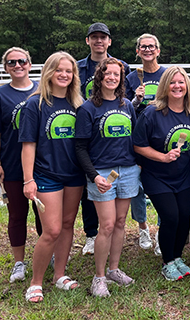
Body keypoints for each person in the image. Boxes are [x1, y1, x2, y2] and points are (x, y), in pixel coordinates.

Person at [19, 51, 85, 303]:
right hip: (47, 175)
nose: (64, 74)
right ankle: (36, 282)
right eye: (59, 70)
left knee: (68, 224)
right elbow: (28, 145)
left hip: (74, 175)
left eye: (68, 71)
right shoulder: (35, 105)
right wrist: (28, 179)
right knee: (52, 230)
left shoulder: (78, 105)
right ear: (49, 72)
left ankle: (59, 275)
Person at [132, 66, 190, 281]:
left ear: (187, 86)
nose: (177, 86)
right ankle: (167, 261)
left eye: (181, 82)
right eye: (172, 82)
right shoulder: (151, 113)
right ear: (165, 86)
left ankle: (178, 257)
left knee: (184, 218)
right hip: (157, 176)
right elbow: (138, 145)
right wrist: (162, 157)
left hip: (183, 175)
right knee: (170, 217)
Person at [0, 47, 42, 284]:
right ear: (6, 67)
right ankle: (19, 262)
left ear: (29, 63)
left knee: (43, 214)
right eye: (12, 62)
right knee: (17, 214)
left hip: (42, 165)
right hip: (13, 164)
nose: (18, 65)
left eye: (22, 61)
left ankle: (48, 254)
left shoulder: (41, 89)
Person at [76, 58, 137, 297]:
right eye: (107, 73)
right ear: (99, 77)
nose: (112, 77)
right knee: (107, 225)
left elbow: (133, 139)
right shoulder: (88, 108)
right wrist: (93, 176)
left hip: (128, 170)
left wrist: (137, 166)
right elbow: (80, 147)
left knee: (121, 222)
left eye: (117, 74)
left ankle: (114, 269)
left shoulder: (127, 105)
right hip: (102, 172)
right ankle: (98, 277)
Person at [77, 22, 131, 255]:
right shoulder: (78, 68)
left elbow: (124, 99)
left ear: (109, 41)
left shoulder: (123, 67)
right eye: (94, 37)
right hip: (89, 130)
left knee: (118, 219)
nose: (99, 41)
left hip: (119, 145)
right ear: (88, 40)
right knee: (89, 193)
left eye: (103, 37)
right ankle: (91, 234)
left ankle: (114, 264)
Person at [125, 33, 167, 253]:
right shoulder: (132, 78)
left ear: (158, 50)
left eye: (152, 46)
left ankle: (162, 231)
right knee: (137, 186)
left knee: (162, 185)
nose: (148, 50)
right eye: (143, 47)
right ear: (138, 51)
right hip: (137, 137)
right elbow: (122, 109)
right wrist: (136, 100)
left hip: (161, 137)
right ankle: (143, 228)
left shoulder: (166, 75)